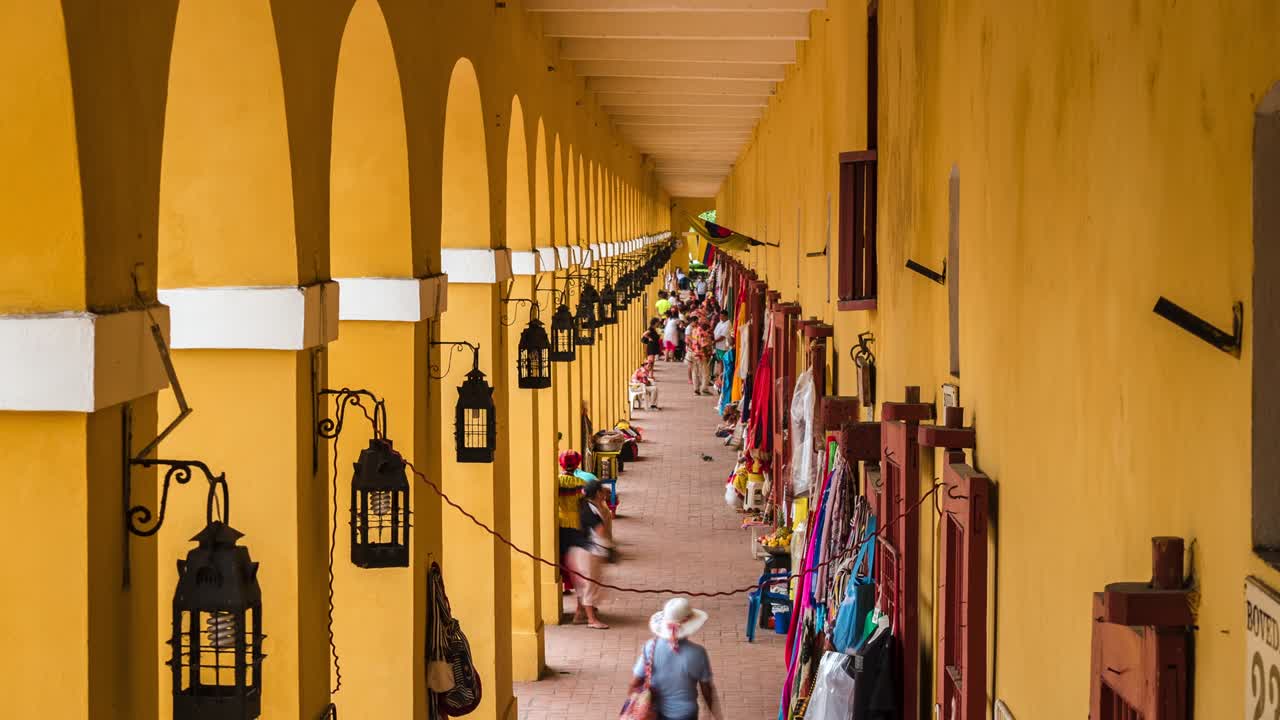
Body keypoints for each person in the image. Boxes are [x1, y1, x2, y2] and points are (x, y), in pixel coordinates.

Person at [628, 598, 723, 720]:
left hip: (654, 712)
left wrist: (635, 703)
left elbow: (635, 682)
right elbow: (706, 689)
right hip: (685, 714)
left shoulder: (650, 647)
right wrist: (714, 714)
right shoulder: (697, 653)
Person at [567, 479, 613, 629]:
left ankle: (580, 614)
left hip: (582, 550)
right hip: (589, 552)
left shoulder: (587, 505)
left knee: (584, 585)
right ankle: (591, 620)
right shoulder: (591, 510)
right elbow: (600, 531)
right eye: (602, 491)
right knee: (590, 586)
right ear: (598, 493)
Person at [685, 316, 714, 395]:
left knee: (695, 372)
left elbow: (689, 342)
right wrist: (707, 355)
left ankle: (696, 389)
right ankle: (704, 389)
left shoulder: (694, 330)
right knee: (705, 373)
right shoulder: (702, 332)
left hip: (694, 354)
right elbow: (704, 345)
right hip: (701, 355)